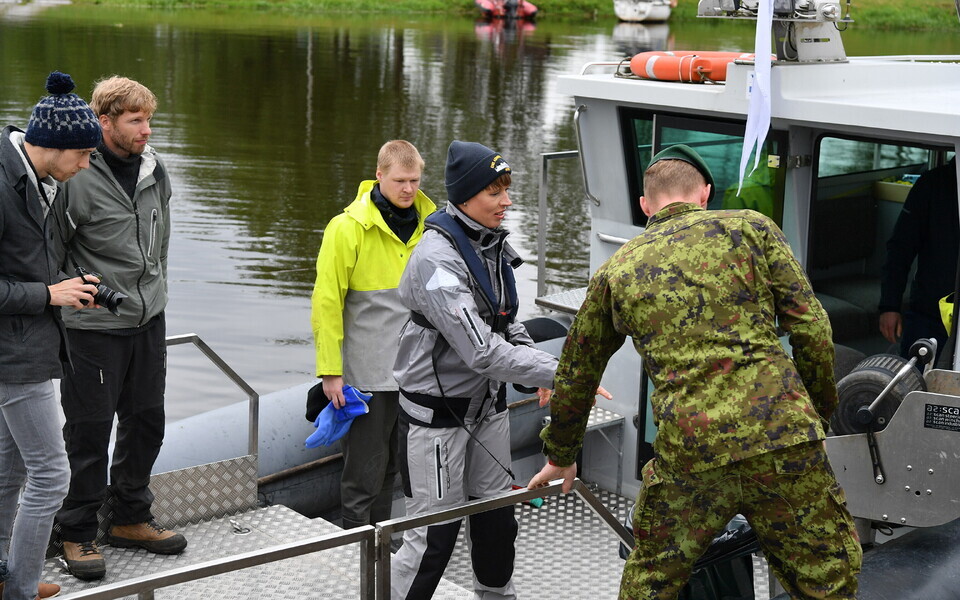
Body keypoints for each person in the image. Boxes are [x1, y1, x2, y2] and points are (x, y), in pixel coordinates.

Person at [529, 145, 862, 599]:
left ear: (646, 206)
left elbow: (576, 370)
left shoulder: (617, 270)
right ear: (704, 193)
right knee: (827, 582)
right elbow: (812, 329)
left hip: (691, 455)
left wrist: (562, 452)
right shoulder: (751, 228)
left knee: (650, 584)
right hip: (783, 438)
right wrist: (816, 414)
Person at [391, 141, 559, 600]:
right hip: (437, 422)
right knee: (432, 539)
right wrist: (560, 373)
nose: (507, 202)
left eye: (507, 190)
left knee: (497, 523)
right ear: (464, 198)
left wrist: (537, 371)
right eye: (495, 193)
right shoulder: (436, 261)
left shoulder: (490, 245)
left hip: (488, 411)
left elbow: (507, 321)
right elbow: (483, 351)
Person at [53, 76, 184, 581]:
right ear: (103, 121)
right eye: (135, 121)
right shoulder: (76, 175)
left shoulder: (155, 170)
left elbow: (162, 241)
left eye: (148, 119)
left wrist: (154, 297)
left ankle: (130, 517)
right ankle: (77, 531)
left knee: (147, 419)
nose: (146, 130)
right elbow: (52, 253)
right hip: (92, 328)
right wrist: (83, 295)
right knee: (88, 432)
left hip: (148, 321)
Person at [0, 71, 102, 600]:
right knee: (51, 476)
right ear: (55, 145)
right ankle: (16, 590)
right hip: (14, 358)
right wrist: (49, 296)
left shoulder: (31, 174)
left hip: (27, 347)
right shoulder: (0, 180)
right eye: (83, 154)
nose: (86, 165)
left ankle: (7, 580)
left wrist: (62, 283)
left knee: (9, 473)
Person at [310, 140, 436, 529]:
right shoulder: (346, 229)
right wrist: (331, 372)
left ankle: (379, 544)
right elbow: (326, 303)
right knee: (364, 472)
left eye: (415, 180)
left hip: (413, 374)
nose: (408, 190)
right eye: (400, 180)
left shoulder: (431, 226)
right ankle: (355, 549)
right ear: (379, 175)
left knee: (393, 469)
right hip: (366, 378)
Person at [879, 156, 958, 357]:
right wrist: (890, 306)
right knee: (913, 380)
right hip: (928, 314)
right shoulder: (933, 184)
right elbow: (900, 247)